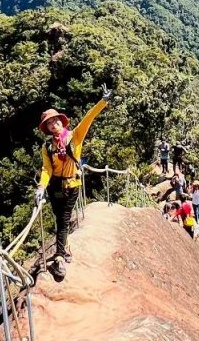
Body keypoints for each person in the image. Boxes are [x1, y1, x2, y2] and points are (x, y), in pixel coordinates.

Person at [35, 84, 113, 276]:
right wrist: (41, 186)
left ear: (61, 121)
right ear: (47, 128)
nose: (53, 124)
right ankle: (66, 247)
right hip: (55, 187)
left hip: (72, 185)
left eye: (55, 120)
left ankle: (59, 258)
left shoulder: (75, 136)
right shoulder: (47, 146)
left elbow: (88, 118)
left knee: (63, 220)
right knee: (60, 219)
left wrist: (102, 102)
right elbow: (47, 169)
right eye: (49, 123)